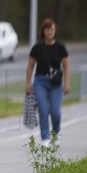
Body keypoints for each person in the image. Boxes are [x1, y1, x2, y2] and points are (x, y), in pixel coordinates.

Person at [25, 18, 70, 147]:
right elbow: (30, 67)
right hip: (40, 82)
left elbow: (66, 67)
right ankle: (45, 137)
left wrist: (67, 83)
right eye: (47, 29)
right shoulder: (37, 48)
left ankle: (56, 133)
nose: (50, 32)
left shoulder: (60, 47)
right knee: (43, 110)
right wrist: (28, 84)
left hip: (55, 83)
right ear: (43, 31)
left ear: (55, 31)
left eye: (52, 29)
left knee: (55, 111)